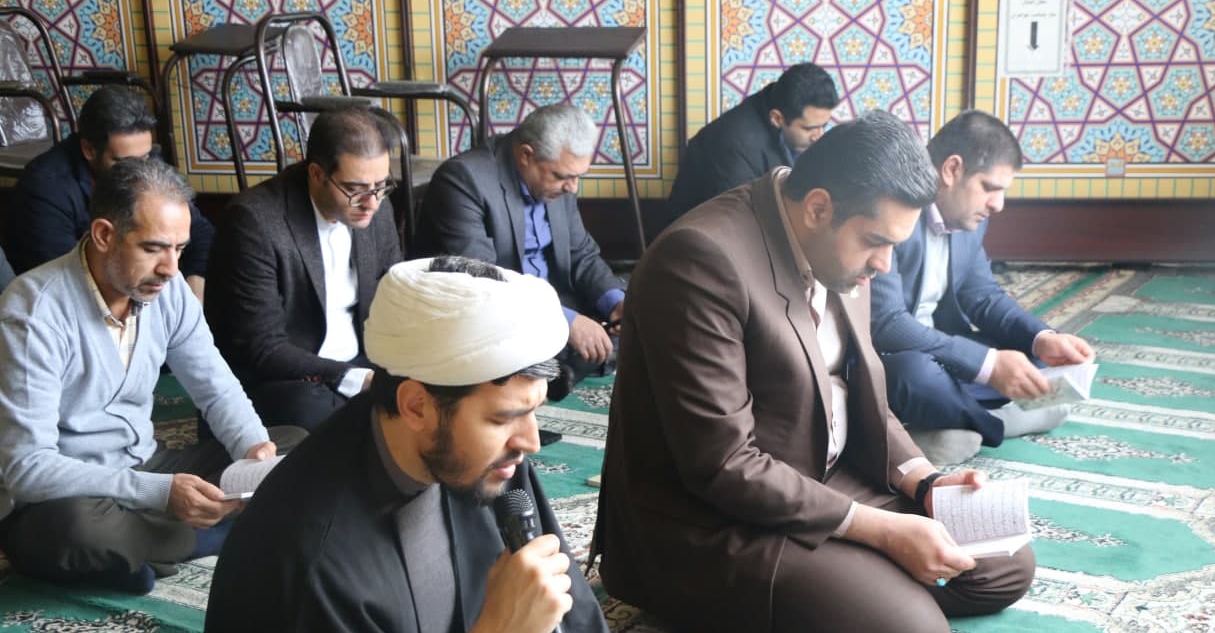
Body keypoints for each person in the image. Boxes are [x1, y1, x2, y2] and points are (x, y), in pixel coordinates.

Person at [179, 256, 747, 633]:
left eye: (532, 413)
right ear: (417, 406)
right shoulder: (314, 556)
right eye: (504, 418)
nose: (529, 440)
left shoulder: (485, 458)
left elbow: (565, 612)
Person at [593, 111, 1037, 633]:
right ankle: (719, 616)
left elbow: (864, 388)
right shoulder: (700, 261)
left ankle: (849, 580)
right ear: (819, 208)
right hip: (721, 522)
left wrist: (922, 481)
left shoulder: (841, 248)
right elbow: (723, 466)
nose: (884, 266)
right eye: (876, 242)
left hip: (824, 476)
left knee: (1005, 564)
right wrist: (883, 533)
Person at [0, 157, 300, 594]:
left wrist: (253, 450)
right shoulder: (35, 311)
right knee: (73, 529)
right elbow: (27, 467)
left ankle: (144, 553)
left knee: (294, 446)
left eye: (179, 249)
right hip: (68, 494)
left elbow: (215, 385)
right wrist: (160, 493)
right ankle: (210, 535)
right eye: (154, 248)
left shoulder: (168, 290)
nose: (171, 268)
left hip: (147, 466)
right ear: (104, 235)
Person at [870, 110, 1095, 465]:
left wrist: (1042, 338)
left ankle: (941, 426)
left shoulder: (969, 218)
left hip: (940, 347)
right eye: (990, 188)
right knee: (916, 375)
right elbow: (888, 325)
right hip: (887, 356)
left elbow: (983, 296)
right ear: (951, 169)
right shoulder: (893, 208)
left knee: (1033, 360)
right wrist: (988, 366)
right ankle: (995, 424)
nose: (998, 205)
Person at [204, 107, 402, 430]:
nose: (373, 203)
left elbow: (394, 292)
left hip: (360, 361)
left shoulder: (374, 202)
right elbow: (263, 348)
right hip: (284, 377)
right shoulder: (254, 222)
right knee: (325, 416)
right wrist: (356, 379)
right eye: (355, 189)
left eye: (381, 185)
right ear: (317, 174)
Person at [418, 103, 626, 400]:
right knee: (502, 341)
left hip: (553, 296)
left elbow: (582, 254)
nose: (572, 187)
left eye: (578, 176)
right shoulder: (464, 180)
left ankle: (557, 366)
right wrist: (564, 321)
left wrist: (617, 304)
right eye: (562, 176)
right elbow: (483, 282)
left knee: (630, 317)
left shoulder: (560, 179)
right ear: (526, 155)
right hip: (493, 306)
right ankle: (559, 363)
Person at [3, 85, 215, 301]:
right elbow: (67, 282)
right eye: (124, 162)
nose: (138, 171)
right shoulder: (45, 190)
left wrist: (194, 288)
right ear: (89, 150)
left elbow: (201, 233)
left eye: (145, 157)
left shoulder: (147, 166)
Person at [664, 62, 838, 226]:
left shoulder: (776, 104)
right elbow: (739, 223)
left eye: (824, 125)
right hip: (703, 237)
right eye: (809, 128)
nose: (819, 136)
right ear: (777, 118)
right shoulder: (733, 147)